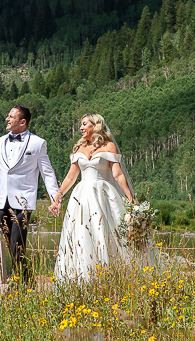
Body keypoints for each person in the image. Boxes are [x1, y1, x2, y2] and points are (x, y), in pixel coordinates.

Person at [50, 113, 140, 283]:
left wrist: (130, 198)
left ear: (95, 126)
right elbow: (71, 177)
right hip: (82, 196)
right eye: (81, 124)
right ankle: (82, 276)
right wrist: (58, 196)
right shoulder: (79, 149)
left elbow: (118, 174)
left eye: (85, 124)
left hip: (103, 194)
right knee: (81, 233)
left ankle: (111, 275)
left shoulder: (109, 147)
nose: (81, 128)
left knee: (106, 232)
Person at [0, 104, 60, 286]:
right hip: (2, 200)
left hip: (24, 201)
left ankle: (16, 281)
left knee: (18, 242)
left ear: (22, 121)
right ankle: (27, 279)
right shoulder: (0, 141)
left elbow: (47, 172)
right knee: (11, 244)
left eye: (11, 116)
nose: (7, 119)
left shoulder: (37, 143)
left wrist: (55, 198)